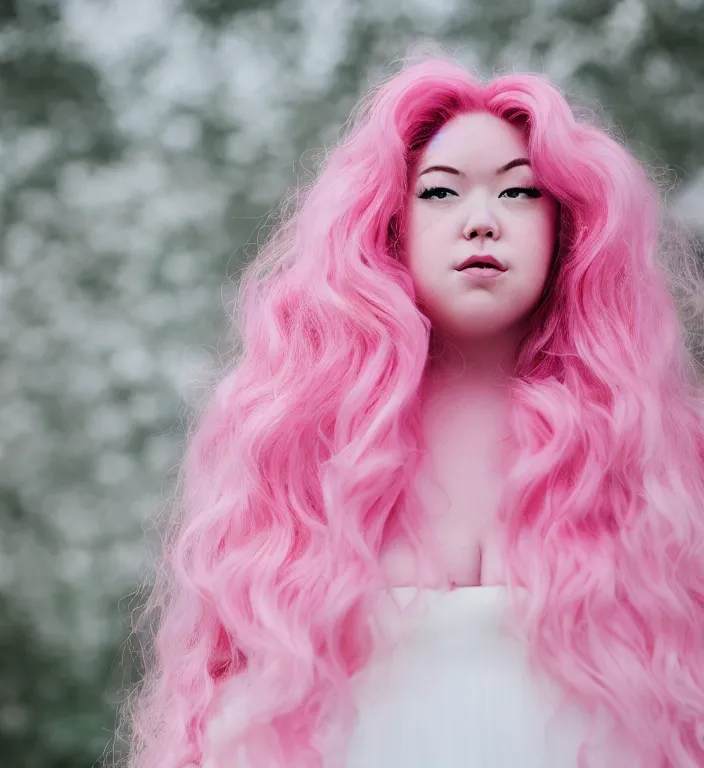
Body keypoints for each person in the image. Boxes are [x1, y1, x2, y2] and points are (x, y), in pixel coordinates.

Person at [115, 51, 704, 768]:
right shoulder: (300, 439)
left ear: (569, 228)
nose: (482, 222)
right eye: (440, 193)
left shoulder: (647, 453)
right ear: (388, 222)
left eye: (519, 194)